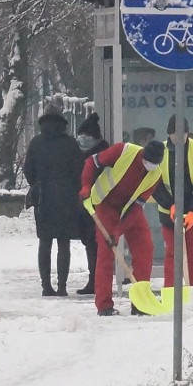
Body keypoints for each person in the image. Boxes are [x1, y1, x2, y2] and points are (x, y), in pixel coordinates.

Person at [80, 139, 165, 315]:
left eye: (155, 164)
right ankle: (104, 305)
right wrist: (86, 186)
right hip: (105, 203)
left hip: (130, 208)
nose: (151, 166)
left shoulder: (155, 174)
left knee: (145, 248)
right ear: (143, 155)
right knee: (106, 251)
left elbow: (136, 207)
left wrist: (118, 231)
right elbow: (91, 162)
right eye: (149, 161)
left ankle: (140, 303)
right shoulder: (123, 151)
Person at [23, 106, 82, 297]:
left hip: (43, 198)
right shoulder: (70, 144)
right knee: (63, 242)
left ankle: (46, 285)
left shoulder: (36, 143)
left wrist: (38, 184)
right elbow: (79, 170)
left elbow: (28, 170)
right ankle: (62, 286)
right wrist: (72, 188)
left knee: (45, 241)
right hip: (66, 198)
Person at [153, 115, 193, 288]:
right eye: (175, 136)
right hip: (169, 215)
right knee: (173, 255)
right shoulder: (161, 152)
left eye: (183, 135)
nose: (180, 139)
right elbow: (154, 184)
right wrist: (169, 205)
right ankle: (171, 294)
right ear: (169, 134)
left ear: (188, 133)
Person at [74, 113, 110, 295]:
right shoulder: (83, 154)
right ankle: (93, 279)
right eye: (80, 137)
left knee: (99, 244)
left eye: (86, 137)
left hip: (101, 206)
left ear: (95, 138)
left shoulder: (103, 156)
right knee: (90, 244)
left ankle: (99, 280)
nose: (81, 141)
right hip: (87, 207)